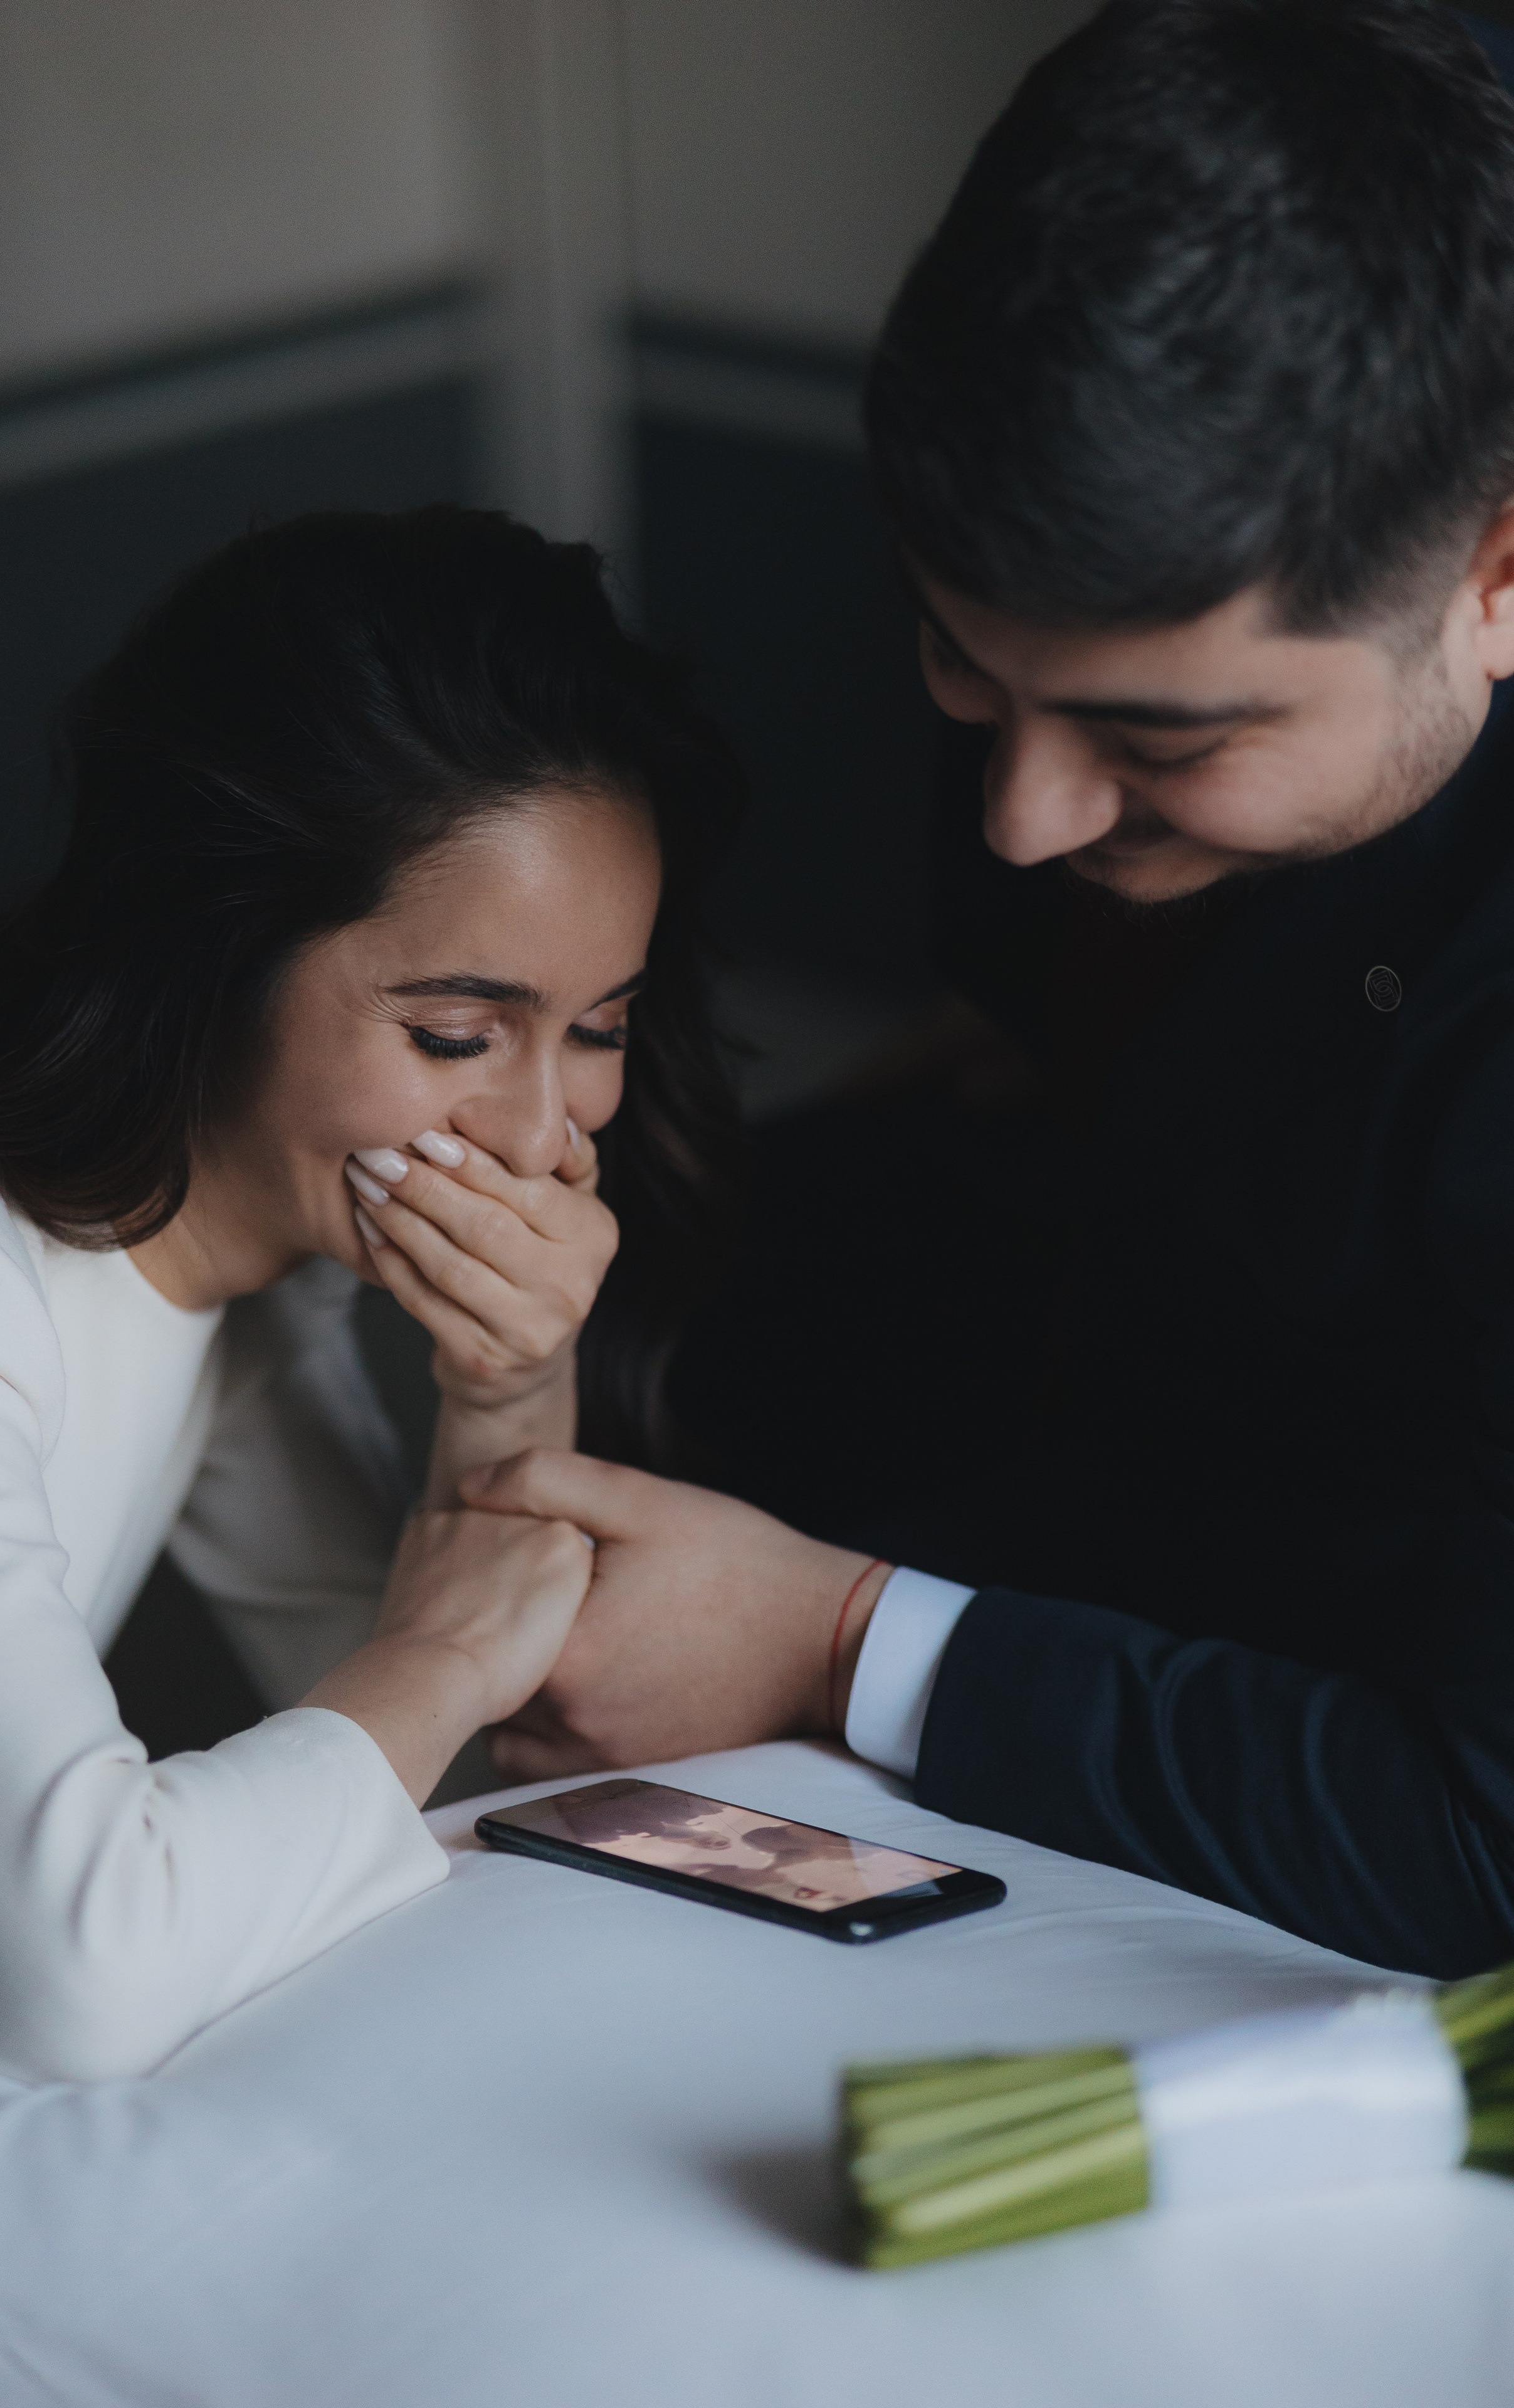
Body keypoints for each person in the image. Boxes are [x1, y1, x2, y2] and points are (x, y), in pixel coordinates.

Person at [461, 0, 1514, 1982]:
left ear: (1499, 573)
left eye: (1158, 740)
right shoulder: (1072, 546)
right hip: (1151, 1305)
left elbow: (1485, 1835)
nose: (1025, 817)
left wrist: (836, 1639)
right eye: (961, 664)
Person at [0, 502, 742, 2081]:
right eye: (454, 1033)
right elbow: (83, 1973)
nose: (537, 1134)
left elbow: (441, 1793)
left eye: (601, 1028)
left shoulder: (244, 1269)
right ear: (208, 947)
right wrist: (433, 1660)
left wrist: (505, 1386)